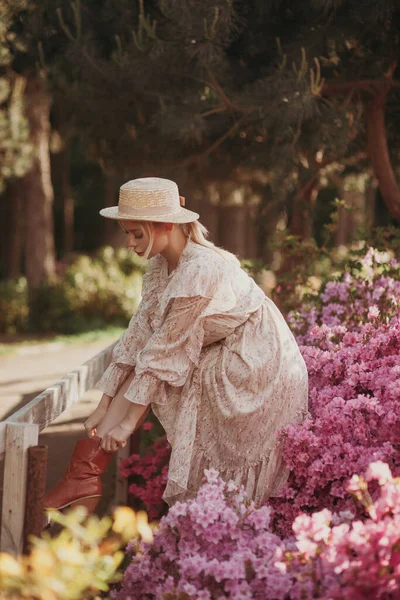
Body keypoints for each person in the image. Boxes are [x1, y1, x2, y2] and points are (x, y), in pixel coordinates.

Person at [43, 177, 309, 514]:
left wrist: (125, 425)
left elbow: (163, 352)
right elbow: (138, 336)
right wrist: (104, 401)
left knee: (166, 369)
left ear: (167, 225)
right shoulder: (160, 268)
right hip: (221, 348)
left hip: (256, 363)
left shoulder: (198, 270)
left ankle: (86, 473)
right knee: (151, 357)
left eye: (137, 234)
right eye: (127, 233)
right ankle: (84, 472)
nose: (129, 243)